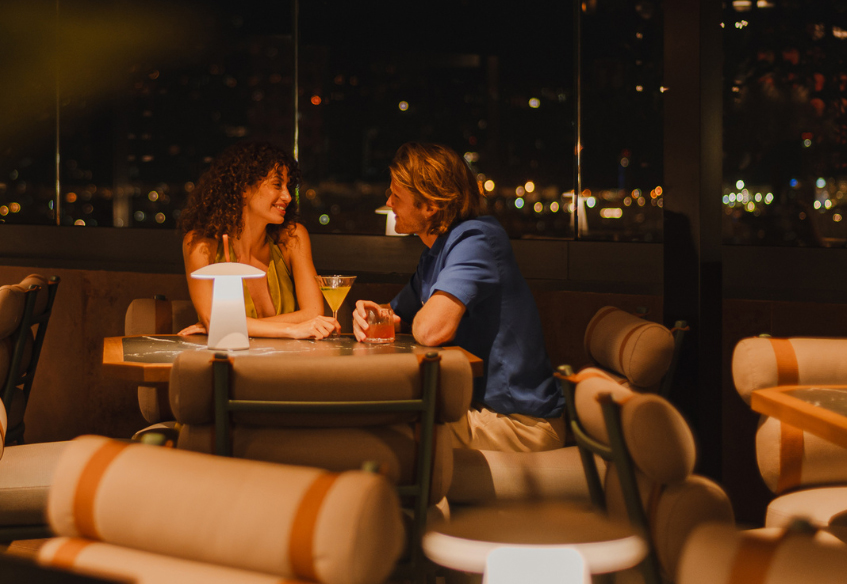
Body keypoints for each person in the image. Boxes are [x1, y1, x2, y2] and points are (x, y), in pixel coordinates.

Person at [354, 142, 565, 451]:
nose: (388, 203)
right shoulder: (435, 252)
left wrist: (399, 320)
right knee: (371, 417)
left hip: (520, 424)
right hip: (482, 410)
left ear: (430, 205)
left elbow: (431, 329)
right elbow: (394, 314)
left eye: (396, 196)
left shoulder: (476, 239)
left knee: (383, 430)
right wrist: (369, 314)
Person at [179, 141, 339, 339]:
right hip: (228, 363)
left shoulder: (292, 237)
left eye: (288, 186)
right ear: (243, 188)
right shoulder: (200, 245)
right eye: (277, 185)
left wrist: (232, 325)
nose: (288, 196)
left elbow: (314, 313)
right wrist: (293, 328)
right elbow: (215, 321)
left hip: (286, 364)